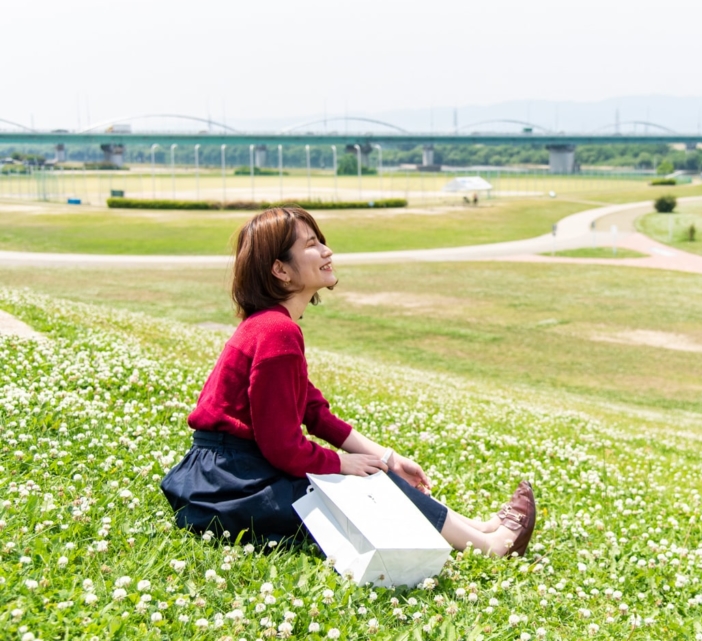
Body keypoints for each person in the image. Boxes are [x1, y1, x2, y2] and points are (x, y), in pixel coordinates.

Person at [161, 207, 536, 557]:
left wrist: (385, 458)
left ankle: (479, 528)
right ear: (281, 269)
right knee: (365, 483)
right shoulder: (276, 332)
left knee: (373, 473)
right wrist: (343, 463)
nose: (327, 251)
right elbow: (281, 448)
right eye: (311, 245)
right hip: (233, 484)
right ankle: (491, 546)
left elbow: (314, 412)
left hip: (220, 474)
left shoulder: (270, 324)